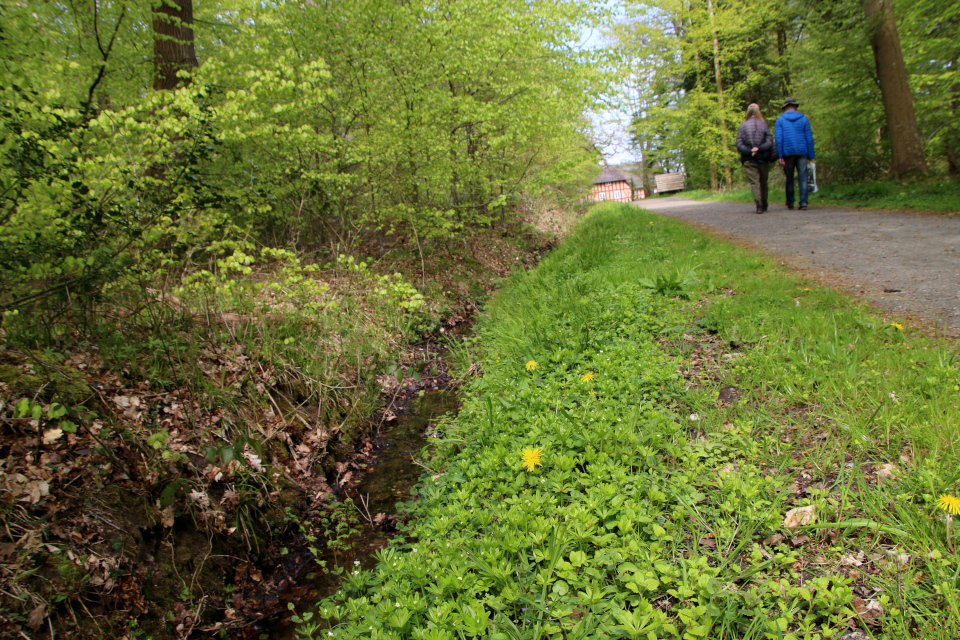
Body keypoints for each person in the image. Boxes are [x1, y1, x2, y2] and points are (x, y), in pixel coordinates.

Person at [774, 97, 815, 211]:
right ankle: (803, 203)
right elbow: (809, 138)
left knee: (789, 178)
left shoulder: (780, 120)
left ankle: (790, 202)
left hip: (787, 152)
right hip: (802, 152)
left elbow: (779, 139)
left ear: (785, 107)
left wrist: (780, 155)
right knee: (803, 178)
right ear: (795, 107)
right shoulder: (804, 119)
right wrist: (811, 155)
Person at [735, 103, 776, 214]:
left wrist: (750, 151)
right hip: (763, 158)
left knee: (754, 183)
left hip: (749, 159)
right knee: (763, 181)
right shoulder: (764, 125)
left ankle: (758, 205)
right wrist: (760, 148)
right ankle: (765, 203)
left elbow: (739, 144)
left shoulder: (743, 126)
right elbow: (769, 141)